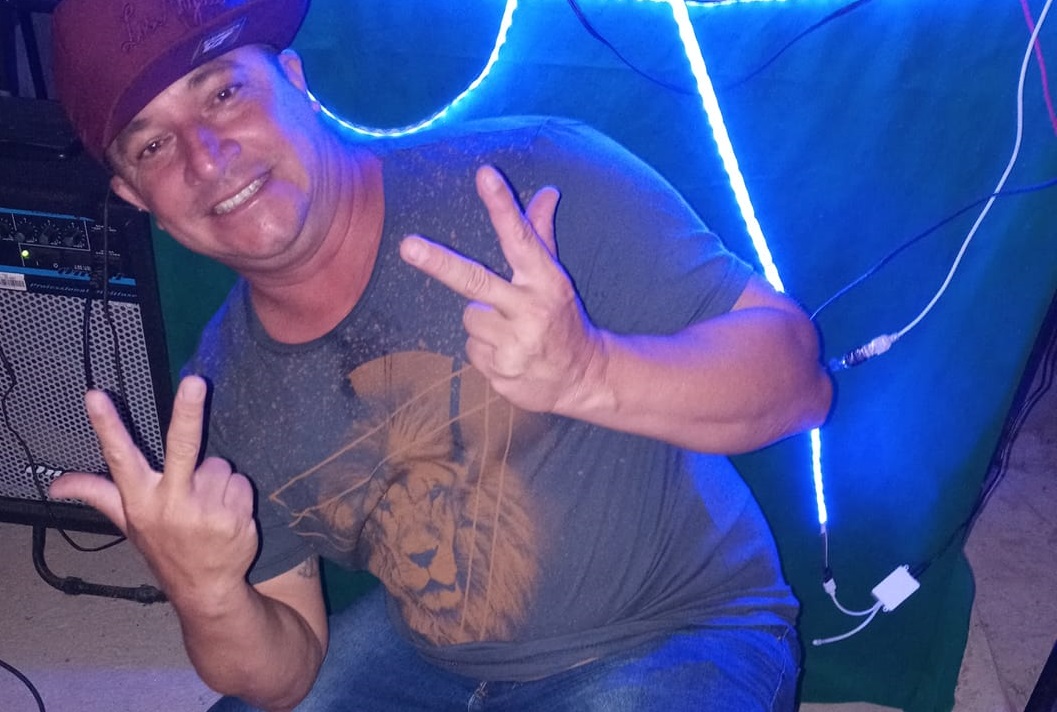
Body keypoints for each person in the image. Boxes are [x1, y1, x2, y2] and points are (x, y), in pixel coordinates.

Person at [48, 0, 833, 710]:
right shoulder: (223, 388)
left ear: (295, 82)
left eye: (224, 93)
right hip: (429, 662)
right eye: (153, 145)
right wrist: (207, 592)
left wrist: (592, 372)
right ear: (135, 198)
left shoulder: (531, 177)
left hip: (672, 631)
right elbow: (284, 674)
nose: (206, 156)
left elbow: (798, 380)